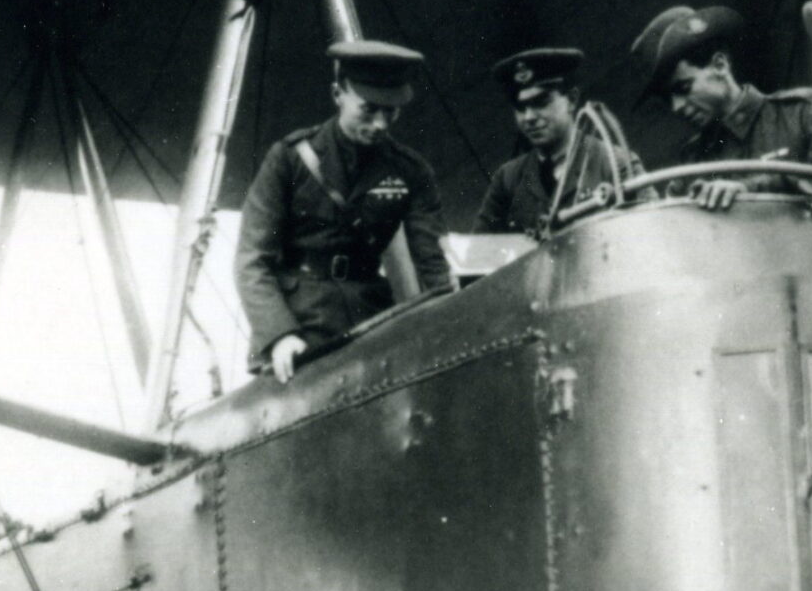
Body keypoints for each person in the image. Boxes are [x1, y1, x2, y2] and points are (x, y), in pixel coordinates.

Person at [236, 39, 454, 384]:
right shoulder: (288, 159)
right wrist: (279, 336)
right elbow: (253, 259)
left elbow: (432, 263)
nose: (381, 123)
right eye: (368, 110)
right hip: (299, 328)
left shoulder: (411, 171)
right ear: (338, 94)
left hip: (373, 321)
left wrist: (451, 323)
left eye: (391, 111)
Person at [631, 5, 812, 209]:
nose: (677, 107)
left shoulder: (804, 113)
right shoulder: (692, 164)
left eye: (683, 88)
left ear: (720, 65)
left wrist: (750, 190)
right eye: (668, 100)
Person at [472, 47, 639, 233]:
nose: (529, 117)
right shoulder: (507, 180)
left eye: (541, 102)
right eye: (520, 107)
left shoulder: (614, 163)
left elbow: (652, 235)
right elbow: (478, 254)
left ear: (572, 100)